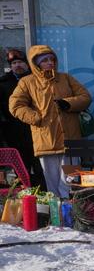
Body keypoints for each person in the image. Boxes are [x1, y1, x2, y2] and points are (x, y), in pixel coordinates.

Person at [9, 45, 92, 198]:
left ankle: (75, 212)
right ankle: (58, 215)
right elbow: (15, 105)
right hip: (46, 140)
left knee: (72, 183)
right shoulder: (27, 82)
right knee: (53, 186)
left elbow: (85, 97)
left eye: (52, 59)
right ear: (36, 63)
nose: (50, 62)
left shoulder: (66, 78)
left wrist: (68, 103)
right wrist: (36, 118)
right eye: (45, 60)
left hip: (70, 141)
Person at [0, 49, 45, 188]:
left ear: (27, 64)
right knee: (20, 168)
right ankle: (24, 196)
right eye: (14, 63)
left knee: (40, 168)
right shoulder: (3, 83)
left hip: (37, 130)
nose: (17, 65)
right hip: (14, 133)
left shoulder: (37, 79)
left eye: (20, 62)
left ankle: (43, 194)